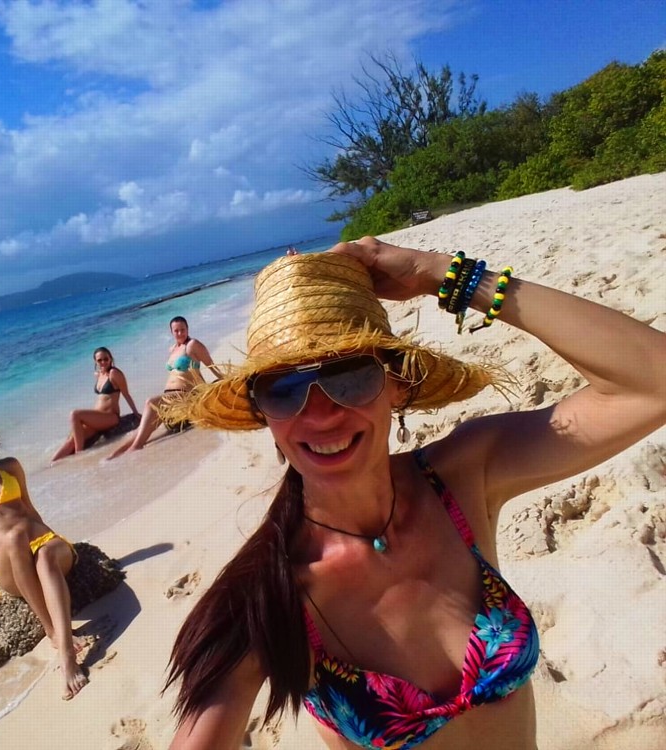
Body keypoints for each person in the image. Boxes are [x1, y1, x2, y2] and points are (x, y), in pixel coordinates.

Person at [161, 240, 666, 749]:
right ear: (263, 413)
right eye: (284, 389)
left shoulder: (463, 479)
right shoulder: (269, 597)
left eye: (349, 374)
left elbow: (655, 383)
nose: (321, 414)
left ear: (397, 384)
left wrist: (444, 275)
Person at [0, 414, 89, 700]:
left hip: (45, 546)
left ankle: (66, 652)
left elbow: (30, 509)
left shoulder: (10, 467)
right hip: (10, 567)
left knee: (44, 555)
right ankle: (52, 631)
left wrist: (51, 537)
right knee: (13, 537)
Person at [108, 316, 217, 459]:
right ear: (171, 332)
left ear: (187, 329)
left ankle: (136, 447)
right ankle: (114, 455)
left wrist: (223, 380)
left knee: (150, 402)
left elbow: (211, 364)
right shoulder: (172, 349)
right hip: (169, 397)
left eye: (183, 330)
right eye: (176, 331)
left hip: (185, 396)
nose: (180, 333)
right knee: (140, 431)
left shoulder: (192, 345)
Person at [51, 347, 140, 462]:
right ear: (95, 361)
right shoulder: (98, 375)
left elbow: (126, 394)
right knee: (72, 439)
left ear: (111, 358)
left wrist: (136, 413)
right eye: (99, 360)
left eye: (106, 359)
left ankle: (80, 454)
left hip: (110, 417)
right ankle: (51, 465)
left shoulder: (114, 373)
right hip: (97, 418)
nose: (103, 362)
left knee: (75, 414)